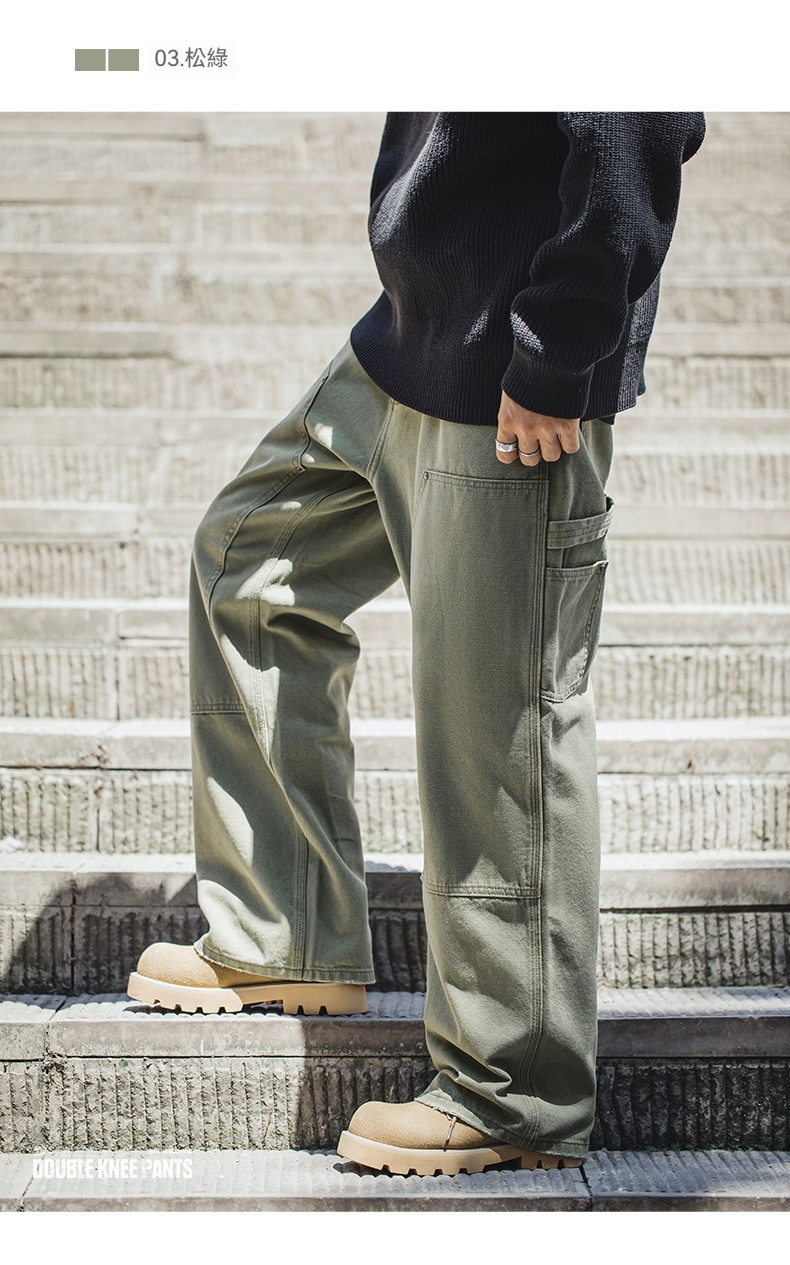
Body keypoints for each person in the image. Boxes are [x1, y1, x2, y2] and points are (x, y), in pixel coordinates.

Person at [127, 111, 706, 1176]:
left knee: (499, 719)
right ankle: (284, 930)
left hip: (512, 368)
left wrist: (558, 345)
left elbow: (640, 114)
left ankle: (512, 1090)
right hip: (409, 334)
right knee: (248, 568)